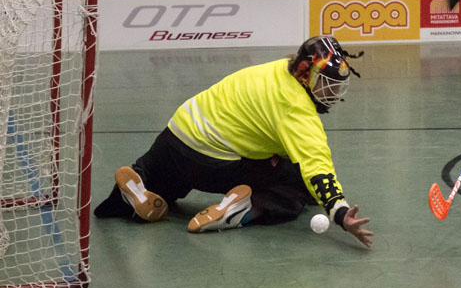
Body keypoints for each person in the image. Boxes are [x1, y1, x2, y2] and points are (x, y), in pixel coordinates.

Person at [94, 36, 374, 247]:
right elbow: (316, 166)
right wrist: (340, 212)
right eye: (326, 84)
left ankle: (138, 188)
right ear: (305, 74)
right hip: (210, 161)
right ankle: (242, 211)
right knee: (297, 184)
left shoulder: (277, 68)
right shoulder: (297, 110)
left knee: (169, 182)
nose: (332, 92)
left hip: (175, 136)